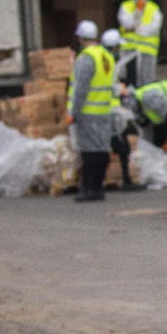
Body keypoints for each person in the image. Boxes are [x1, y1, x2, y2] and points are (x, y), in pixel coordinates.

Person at [66, 20, 115, 202]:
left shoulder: (86, 58)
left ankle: (90, 187)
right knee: (101, 149)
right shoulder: (105, 56)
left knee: (89, 151)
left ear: (80, 38)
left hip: (88, 111)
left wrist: (73, 113)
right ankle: (97, 186)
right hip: (103, 110)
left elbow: (80, 89)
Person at [100, 28, 143, 192]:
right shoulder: (107, 61)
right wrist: (121, 90)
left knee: (120, 145)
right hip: (109, 110)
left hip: (110, 110)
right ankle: (122, 179)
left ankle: (124, 178)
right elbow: (108, 85)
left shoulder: (106, 59)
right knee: (118, 146)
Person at [118, 0, 163, 87]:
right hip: (130, 52)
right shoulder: (126, 6)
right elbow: (127, 24)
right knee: (130, 82)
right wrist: (138, 12)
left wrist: (136, 29)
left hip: (148, 52)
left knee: (147, 84)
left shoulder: (154, 8)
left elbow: (155, 28)